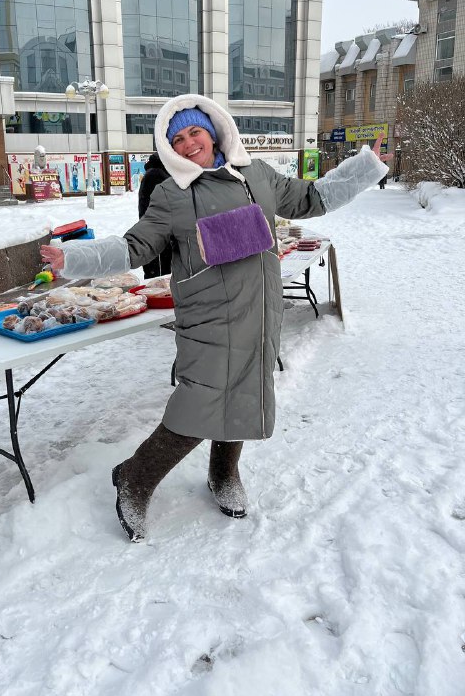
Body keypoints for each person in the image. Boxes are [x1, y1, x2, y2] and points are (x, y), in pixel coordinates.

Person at [41, 94, 390, 543]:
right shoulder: (171, 194)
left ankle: (224, 472)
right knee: (198, 403)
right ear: (168, 147)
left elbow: (312, 198)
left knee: (246, 393)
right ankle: (136, 475)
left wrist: (363, 169)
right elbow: (134, 248)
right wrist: (71, 256)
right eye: (178, 139)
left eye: (194, 133)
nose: (188, 145)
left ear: (215, 131)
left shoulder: (256, 174)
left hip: (260, 307)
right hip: (207, 316)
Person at [137, 152, 171, 278]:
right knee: (160, 276)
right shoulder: (156, 175)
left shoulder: (156, 173)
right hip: (157, 232)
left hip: (156, 231)